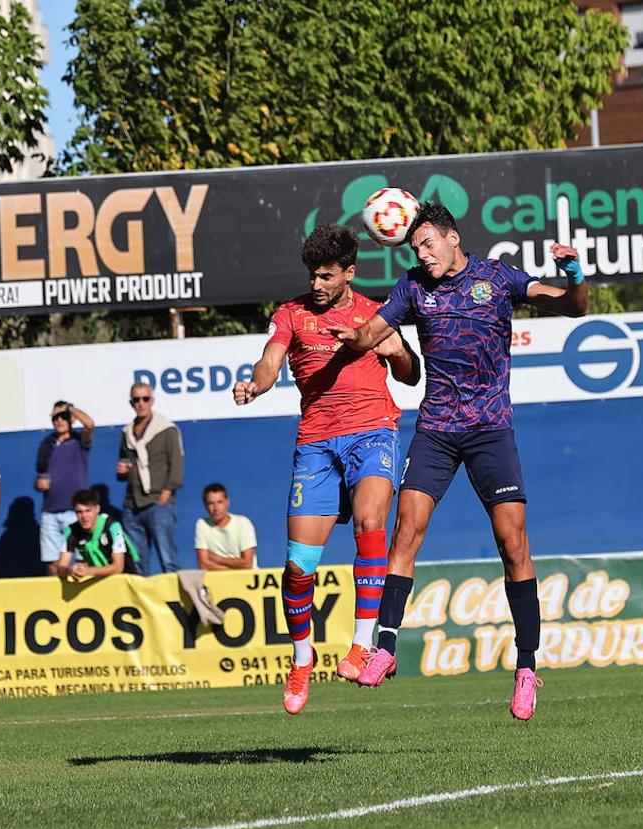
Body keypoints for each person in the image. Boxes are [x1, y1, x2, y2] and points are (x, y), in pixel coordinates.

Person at [328, 202, 588, 721]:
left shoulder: (497, 277)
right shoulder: (412, 287)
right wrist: (351, 335)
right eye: (415, 248)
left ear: (453, 238)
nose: (422, 255)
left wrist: (574, 273)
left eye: (428, 244)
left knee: (513, 544)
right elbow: (371, 332)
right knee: (406, 532)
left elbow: (574, 307)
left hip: (491, 430)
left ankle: (527, 668)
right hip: (437, 431)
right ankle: (384, 646)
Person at [234, 222, 420, 715]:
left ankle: (361, 646)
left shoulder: (376, 313)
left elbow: (410, 373)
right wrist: (256, 385)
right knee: (298, 568)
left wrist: (394, 349)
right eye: (312, 276)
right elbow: (269, 362)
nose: (316, 285)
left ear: (349, 274)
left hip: (373, 431)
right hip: (316, 444)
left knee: (371, 524)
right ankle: (301, 658)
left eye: (326, 276)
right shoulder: (291, 314)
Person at [117, 383, 184, 575]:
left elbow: (177, 466)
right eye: (136, 400)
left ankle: (173, 604)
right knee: (137, 565)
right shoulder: (127, 433)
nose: (141, 403)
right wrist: (122, 471)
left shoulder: (167, 429)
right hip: (132, 505)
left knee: (168, 561)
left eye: (145, 398)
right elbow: (123, 466)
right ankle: (143, 605)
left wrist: (166, 494)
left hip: (158, 503)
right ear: (131, 403)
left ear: (152, 401)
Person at [35, 400, 94, 575]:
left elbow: (90, 424)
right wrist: (38, 484)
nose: (59, 421)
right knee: (53, 565)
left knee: (82, 561)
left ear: (72, 419)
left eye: (64, 417)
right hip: (50, 512)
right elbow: (40, 477)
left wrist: (69, 409)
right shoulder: (46, 444)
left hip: (75, 513)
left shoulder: (80, 441)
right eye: (56, 418)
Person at [57, 488, 139, 579]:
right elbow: (61, 567)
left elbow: (118, 567)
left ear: (97, 509)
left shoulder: (114, 528)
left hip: (125, 580)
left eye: (88, 511)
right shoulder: (71, 531)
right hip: (98, 583)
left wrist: (88, 571)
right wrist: (70, 570)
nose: (84, 516)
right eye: (79, 512)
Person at [194, 483, 257, 570]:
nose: (215, 508)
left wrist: (216, 558)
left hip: (247, 581)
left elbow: (247, 563)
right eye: (211, 503)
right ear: (205, 505)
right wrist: (232, 569)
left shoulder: (243, 523)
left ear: (227, 502)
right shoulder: (202, 524)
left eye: (219, 502)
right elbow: (203, 564)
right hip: (218, 581)